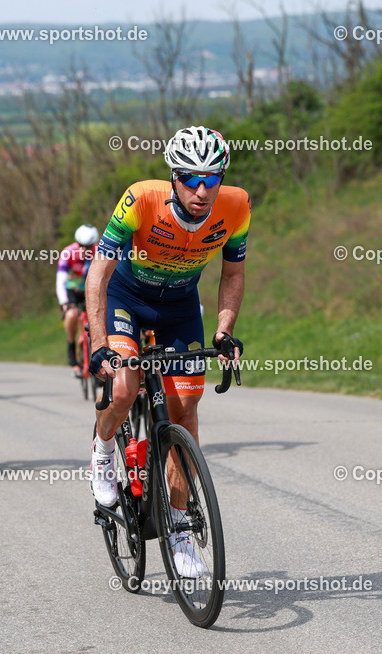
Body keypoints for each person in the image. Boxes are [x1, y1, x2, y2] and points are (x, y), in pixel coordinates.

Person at [86, 126, 247, 578]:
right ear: (173, 177)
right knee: (123, 386)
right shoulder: (140, 199)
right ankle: (101, 452)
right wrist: (100, 344)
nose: (202, 190)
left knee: (185, 409)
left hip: (179, 308)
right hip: (126, 300)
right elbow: (98, 272)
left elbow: (232, 276)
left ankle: (178, 528)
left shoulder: (236, 207)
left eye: (211, 179)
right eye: (191, 179)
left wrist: (223, 330)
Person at [57, 225, 100, 376]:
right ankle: (71, 345)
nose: (84, 249)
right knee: (71, 314)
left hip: (91, 289)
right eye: (81, 245)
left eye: (87, 246)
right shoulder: (68, 252)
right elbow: (61, 278)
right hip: (72, 291)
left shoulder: (100, 251)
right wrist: (64, 302)